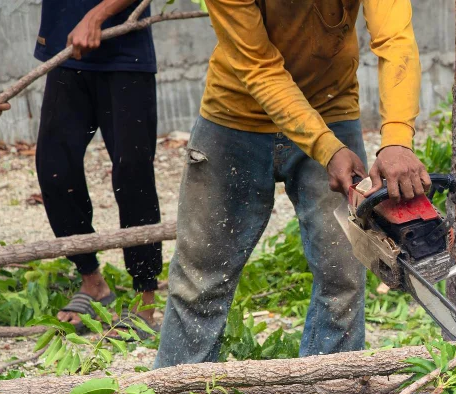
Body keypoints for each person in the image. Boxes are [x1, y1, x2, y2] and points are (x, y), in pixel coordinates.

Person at [153, 0, 430, 368]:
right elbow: (260, 68)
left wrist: (396, 138)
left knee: (342, 276)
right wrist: (328, 149)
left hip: (331, 107)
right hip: (234, 117)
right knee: (199, 280)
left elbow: (395, 39)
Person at [34, 0, 162, 327]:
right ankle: (92, 283)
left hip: (125, 53)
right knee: (55, 170)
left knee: (133, 172)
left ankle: (144, 298)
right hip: (66, 47)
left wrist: (97, 14)